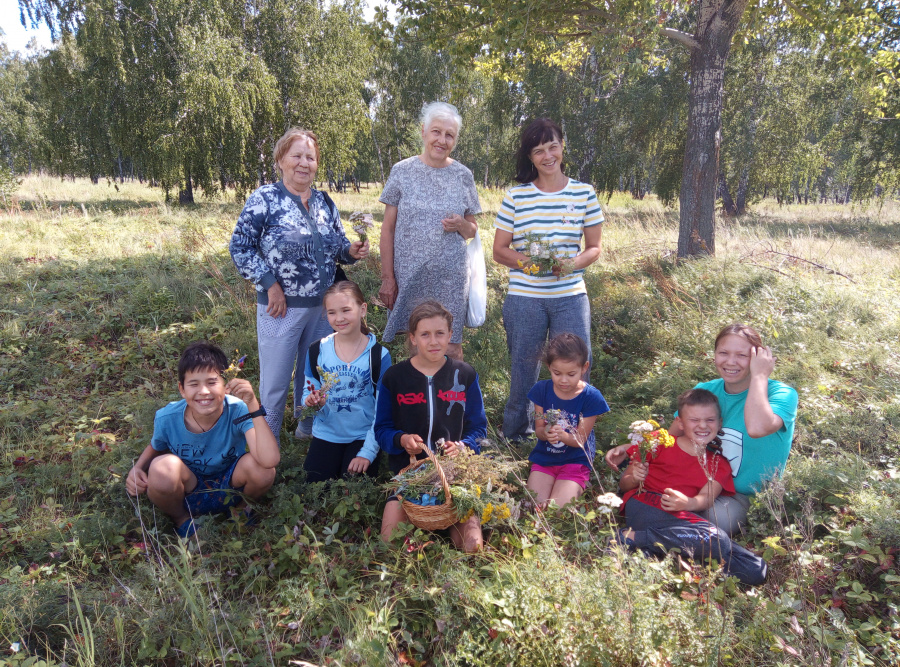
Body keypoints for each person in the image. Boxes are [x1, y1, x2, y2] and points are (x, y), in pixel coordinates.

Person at [230, 128, 369, 440]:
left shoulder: (324, 202)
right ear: (281, 160)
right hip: (280, 308)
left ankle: (308, 429)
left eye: (311, 157)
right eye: (297, 155)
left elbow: (338, 248)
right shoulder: (265, 199)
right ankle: (268, 440)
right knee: (276, 381)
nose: (304, 163)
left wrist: (352, 252)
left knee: (314, 375)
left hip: (323, 310)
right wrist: (269, 284)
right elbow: (240, 247)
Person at [606, 323, 798, 536]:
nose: (730, 362)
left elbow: (756, 428)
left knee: (715, 523)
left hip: (740, 495)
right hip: (695, 482)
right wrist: (632, 447)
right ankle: (653, 533)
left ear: (757, 358)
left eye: (741, 355)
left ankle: (643, 538)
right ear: (714, 354)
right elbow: (672, 436)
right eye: (723, 353)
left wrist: (760, 377)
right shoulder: (705, 390)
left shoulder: (782, 394)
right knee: (666, 506)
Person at [492, 118, 604, 441]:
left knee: (575, 365)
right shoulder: (516, 196)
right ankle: (515, 435)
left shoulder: (584, 193)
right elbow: (500, 251)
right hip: (524, 297)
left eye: (552, 146)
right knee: (524, 367)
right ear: (530, 156)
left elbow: (594, 248)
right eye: (538, 150)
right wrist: (531, 265)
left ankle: (575, 436)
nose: (547, 155)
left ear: (563, 146)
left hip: (570, 294)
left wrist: (571, 264)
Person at [125, 342, 279, 538]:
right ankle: (181, 519)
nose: (204, 391)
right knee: (161, 467)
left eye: (212, 382)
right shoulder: (167, 417)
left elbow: (270, 460)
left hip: (230, 484)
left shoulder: (238, 409)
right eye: (194, 384)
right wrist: (138, 467)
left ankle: (240, 511)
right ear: (182, 389)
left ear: (226, 385)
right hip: (189, 488)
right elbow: (157, 445)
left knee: (263, 470)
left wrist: (252, 405)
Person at [617, 389, 768, 585]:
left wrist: (688, 502)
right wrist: (635, 477)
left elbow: (707, 498)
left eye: (710, 420)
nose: (702, 426)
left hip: (683, 517)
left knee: (756, 569)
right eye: (694, 420)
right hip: (647, 504)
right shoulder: (659, 444)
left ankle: (655, 553)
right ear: (680, 423)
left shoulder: (718, 463)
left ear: (719, 423)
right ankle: (630, 537)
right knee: (718, 540)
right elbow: (625, 483)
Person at [374, 300, 487, 552]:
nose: (433, 341)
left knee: (472, 547)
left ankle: (447, 524)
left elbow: (479, 429)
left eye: (440, 333)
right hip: (410, 477)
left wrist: (464, 446)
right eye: (425, 334)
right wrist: (400, 440)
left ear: (450, 335)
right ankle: (420, 529)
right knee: (388, 544)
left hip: (454, 475)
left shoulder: (465, 374)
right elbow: (381, 430)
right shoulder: (395, 377)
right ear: (413, 338)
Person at [378, 102, 481, 361]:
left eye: (449, 135)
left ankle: (452, 400)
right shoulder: (401, 171)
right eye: (436, 131)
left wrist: (460, 224)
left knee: (452, 347)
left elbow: (471, 231)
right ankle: (418, 401)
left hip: (451, 279)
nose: (442, 140)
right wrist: (388, 278)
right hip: (410, 278)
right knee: (417, 344)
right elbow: (387, 229)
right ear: (423, 131)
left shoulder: (463, 175)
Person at [301, 281, 392, 482]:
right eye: (332, 312)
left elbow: (384, 410)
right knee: (315, 490)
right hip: (327, 434)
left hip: (362, 436)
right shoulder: (317, 350)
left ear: (363, 309)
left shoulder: (378, 356)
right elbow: (308, 391)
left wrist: (367, 452)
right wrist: (312, 402)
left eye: (346, 310)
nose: (339, 318)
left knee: (353, 490)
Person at [527, 333, 610, 509]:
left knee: (557, 510)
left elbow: (580, 440)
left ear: (584, 367)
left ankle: (574, 485)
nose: (563, 380)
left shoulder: (591, 397)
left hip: (575, 462)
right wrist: (546, 434)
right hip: (545, 460)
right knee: (534, 505)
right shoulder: (541, 390)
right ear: (549, 367)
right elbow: (539, 430)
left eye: (571, 374)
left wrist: (563, 436)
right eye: (557, 373)